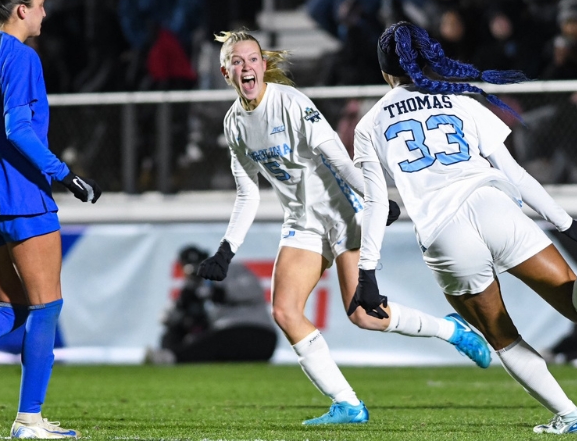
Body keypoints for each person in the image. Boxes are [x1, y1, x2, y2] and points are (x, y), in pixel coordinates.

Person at [353, 21, 577, 435]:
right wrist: (568, 225)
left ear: (386, 72)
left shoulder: (369, 124)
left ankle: (570, 415)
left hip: (443, 231)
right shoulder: (460, 102)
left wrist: (366, 272)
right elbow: (516, 173)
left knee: (501, 335)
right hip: (493, 204)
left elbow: (372, 202)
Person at [197, 29, 491, 426]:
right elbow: (247, 194)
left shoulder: (291, 103)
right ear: (225, 71)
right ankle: (348, 404)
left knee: (364, 314)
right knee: (285, 311)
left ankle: (450, 331)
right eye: (237, 61)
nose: (246, 66)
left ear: (263, 65)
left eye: (252, 59)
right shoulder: (234, 125)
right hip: (302, 222)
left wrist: (373, 198)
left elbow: (338, 156)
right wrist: (225, 250)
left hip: (343, 212)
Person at [0, 0, 101, 438]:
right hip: (19, 195)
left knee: (8, 308)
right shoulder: (22, 56)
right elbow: (18, 128)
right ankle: (28, 420)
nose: (44, 12)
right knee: (46, 306)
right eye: (38, 4)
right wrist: (64, 173)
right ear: (21, 10)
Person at [152, 245, 278, 364]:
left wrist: (220, 292)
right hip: (222, 338)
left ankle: (174, 357)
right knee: (178, 333)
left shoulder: (231, 269)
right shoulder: (191, 288)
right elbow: (165, 318)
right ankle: (171, 355)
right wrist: (182, 305)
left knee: (217, 341)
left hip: (255, 332)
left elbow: (253, 290)